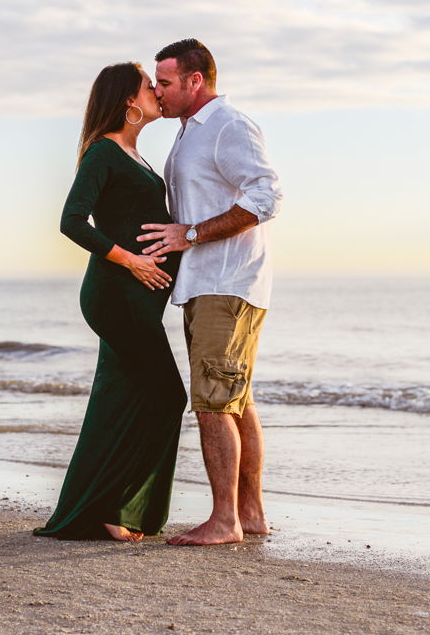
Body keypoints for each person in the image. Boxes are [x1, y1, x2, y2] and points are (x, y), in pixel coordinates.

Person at [34, 62, 187, 542]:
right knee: (169, 396)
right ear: (128, 102)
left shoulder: (135, 155)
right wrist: (131, 261)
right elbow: (72, 221)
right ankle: (113, 508)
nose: (158, 93)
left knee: (116, 401)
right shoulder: (102, 151)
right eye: (150, 86)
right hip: (116, 294)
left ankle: (94, 512)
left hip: (139, 299)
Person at [137, 39, 283, 546]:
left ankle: (225, 521)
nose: (159, 90)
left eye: (166, 82)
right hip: (206, 284)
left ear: (195, 81)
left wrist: (191, 234)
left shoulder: (228, 126)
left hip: (228, 281)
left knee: (212, 403)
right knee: (234, 401)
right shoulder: (187, 133)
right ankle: (250, 514)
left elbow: (268, 194)